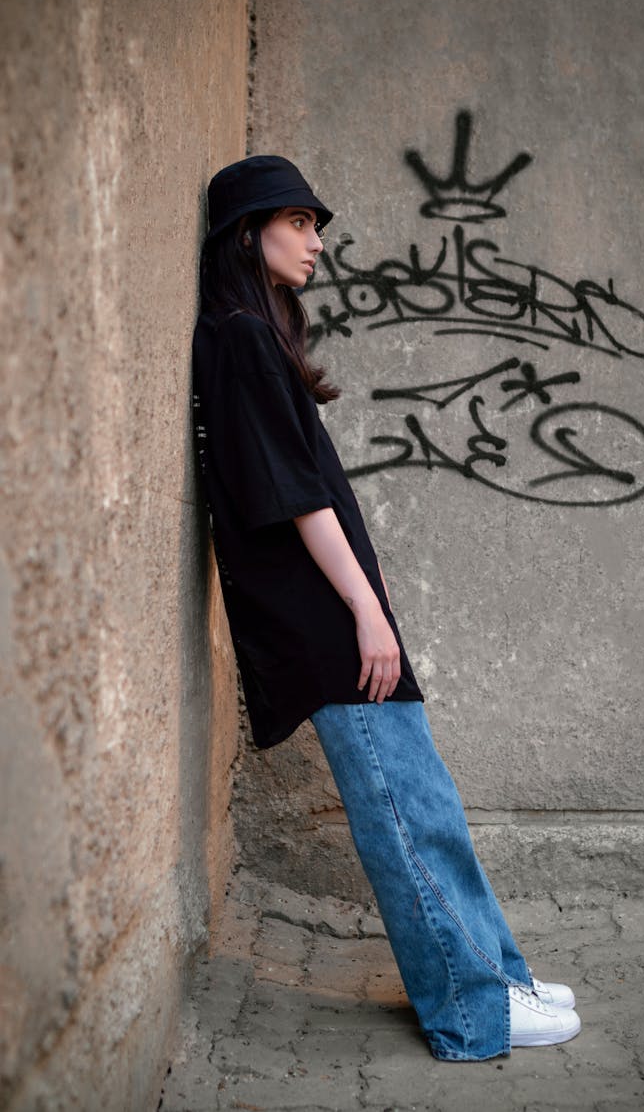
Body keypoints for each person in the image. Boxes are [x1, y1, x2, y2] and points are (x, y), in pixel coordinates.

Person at [192, 155, 581, 1061]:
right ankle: (472, 1012)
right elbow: (294, 496)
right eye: (300, 223)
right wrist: (366, 609)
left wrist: (373, 597)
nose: (318, 241)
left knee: (427, 803)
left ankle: (500, 973)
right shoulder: (241, 338)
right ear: (248, 234)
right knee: (407, 817)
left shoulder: (255, 332)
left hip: (342, 614)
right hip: (325, 624)